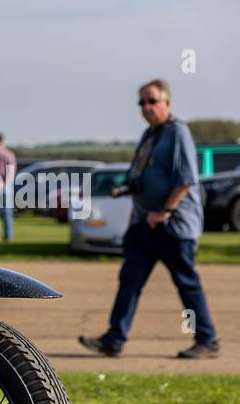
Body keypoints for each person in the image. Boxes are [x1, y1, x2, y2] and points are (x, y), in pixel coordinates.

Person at [79, 79, 219, 359]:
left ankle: (207, 340)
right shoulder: (149, 135)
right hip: (146, 225)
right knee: (130, 279)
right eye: (141, 102)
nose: (146, 107)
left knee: (187, 283)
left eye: (152, 101)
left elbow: (186, 180)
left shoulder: (177, 132)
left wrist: (165, 211)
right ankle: (114, 338)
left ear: (167, 103)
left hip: (173, 226)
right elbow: (140, 175)